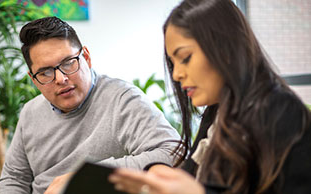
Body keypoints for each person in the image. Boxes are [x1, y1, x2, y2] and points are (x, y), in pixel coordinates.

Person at [109, 0, 311, 193]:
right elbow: (194, 178)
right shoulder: (217, 112)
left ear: (226, 49)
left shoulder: (283, 114)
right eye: (173, 62)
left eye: (185, 58)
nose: (176, 74)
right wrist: (159, 173)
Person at [0, 16, 181, 194]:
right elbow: (14, 178)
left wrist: (86, 177)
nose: (61, 78)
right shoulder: (30, 112)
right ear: (34, 80)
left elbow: (173, 152)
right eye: (45, 73)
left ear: (87, 57)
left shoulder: (122, 99)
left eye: (68, 63)